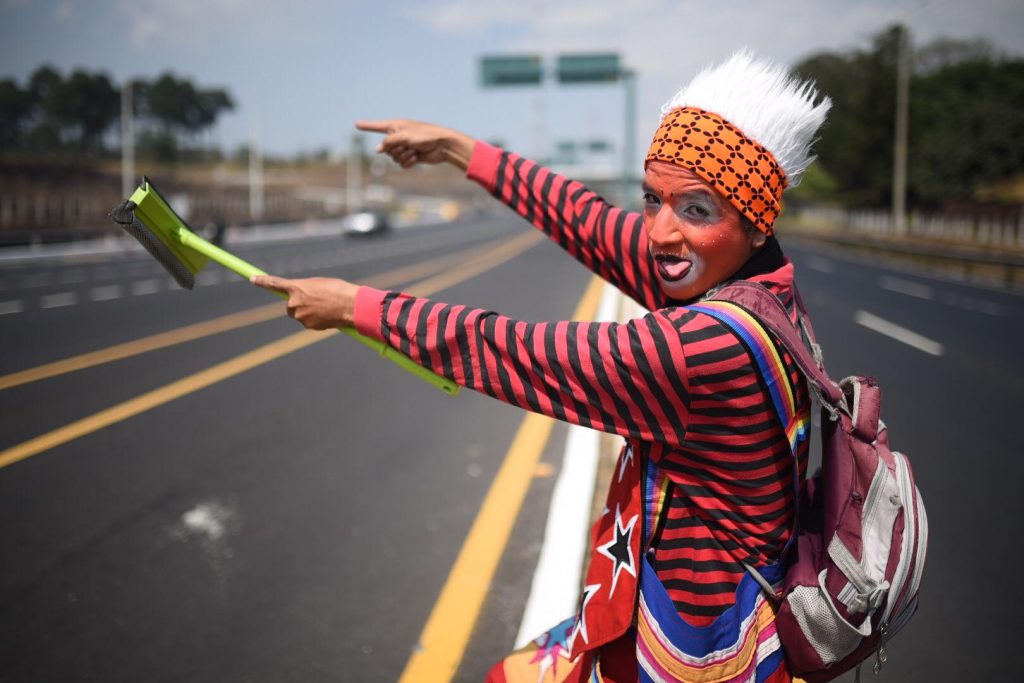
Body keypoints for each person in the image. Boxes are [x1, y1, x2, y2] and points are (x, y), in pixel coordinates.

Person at [252, 50, 831, 682]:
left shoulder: (705, 348)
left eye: (697, 209)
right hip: (677, 608)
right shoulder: (758, 284)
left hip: (698, 651)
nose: (662, 232)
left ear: (753, 223)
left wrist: (353, 306)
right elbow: (582, 218)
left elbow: (519, 354)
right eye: (652, 200)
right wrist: (459, 148)